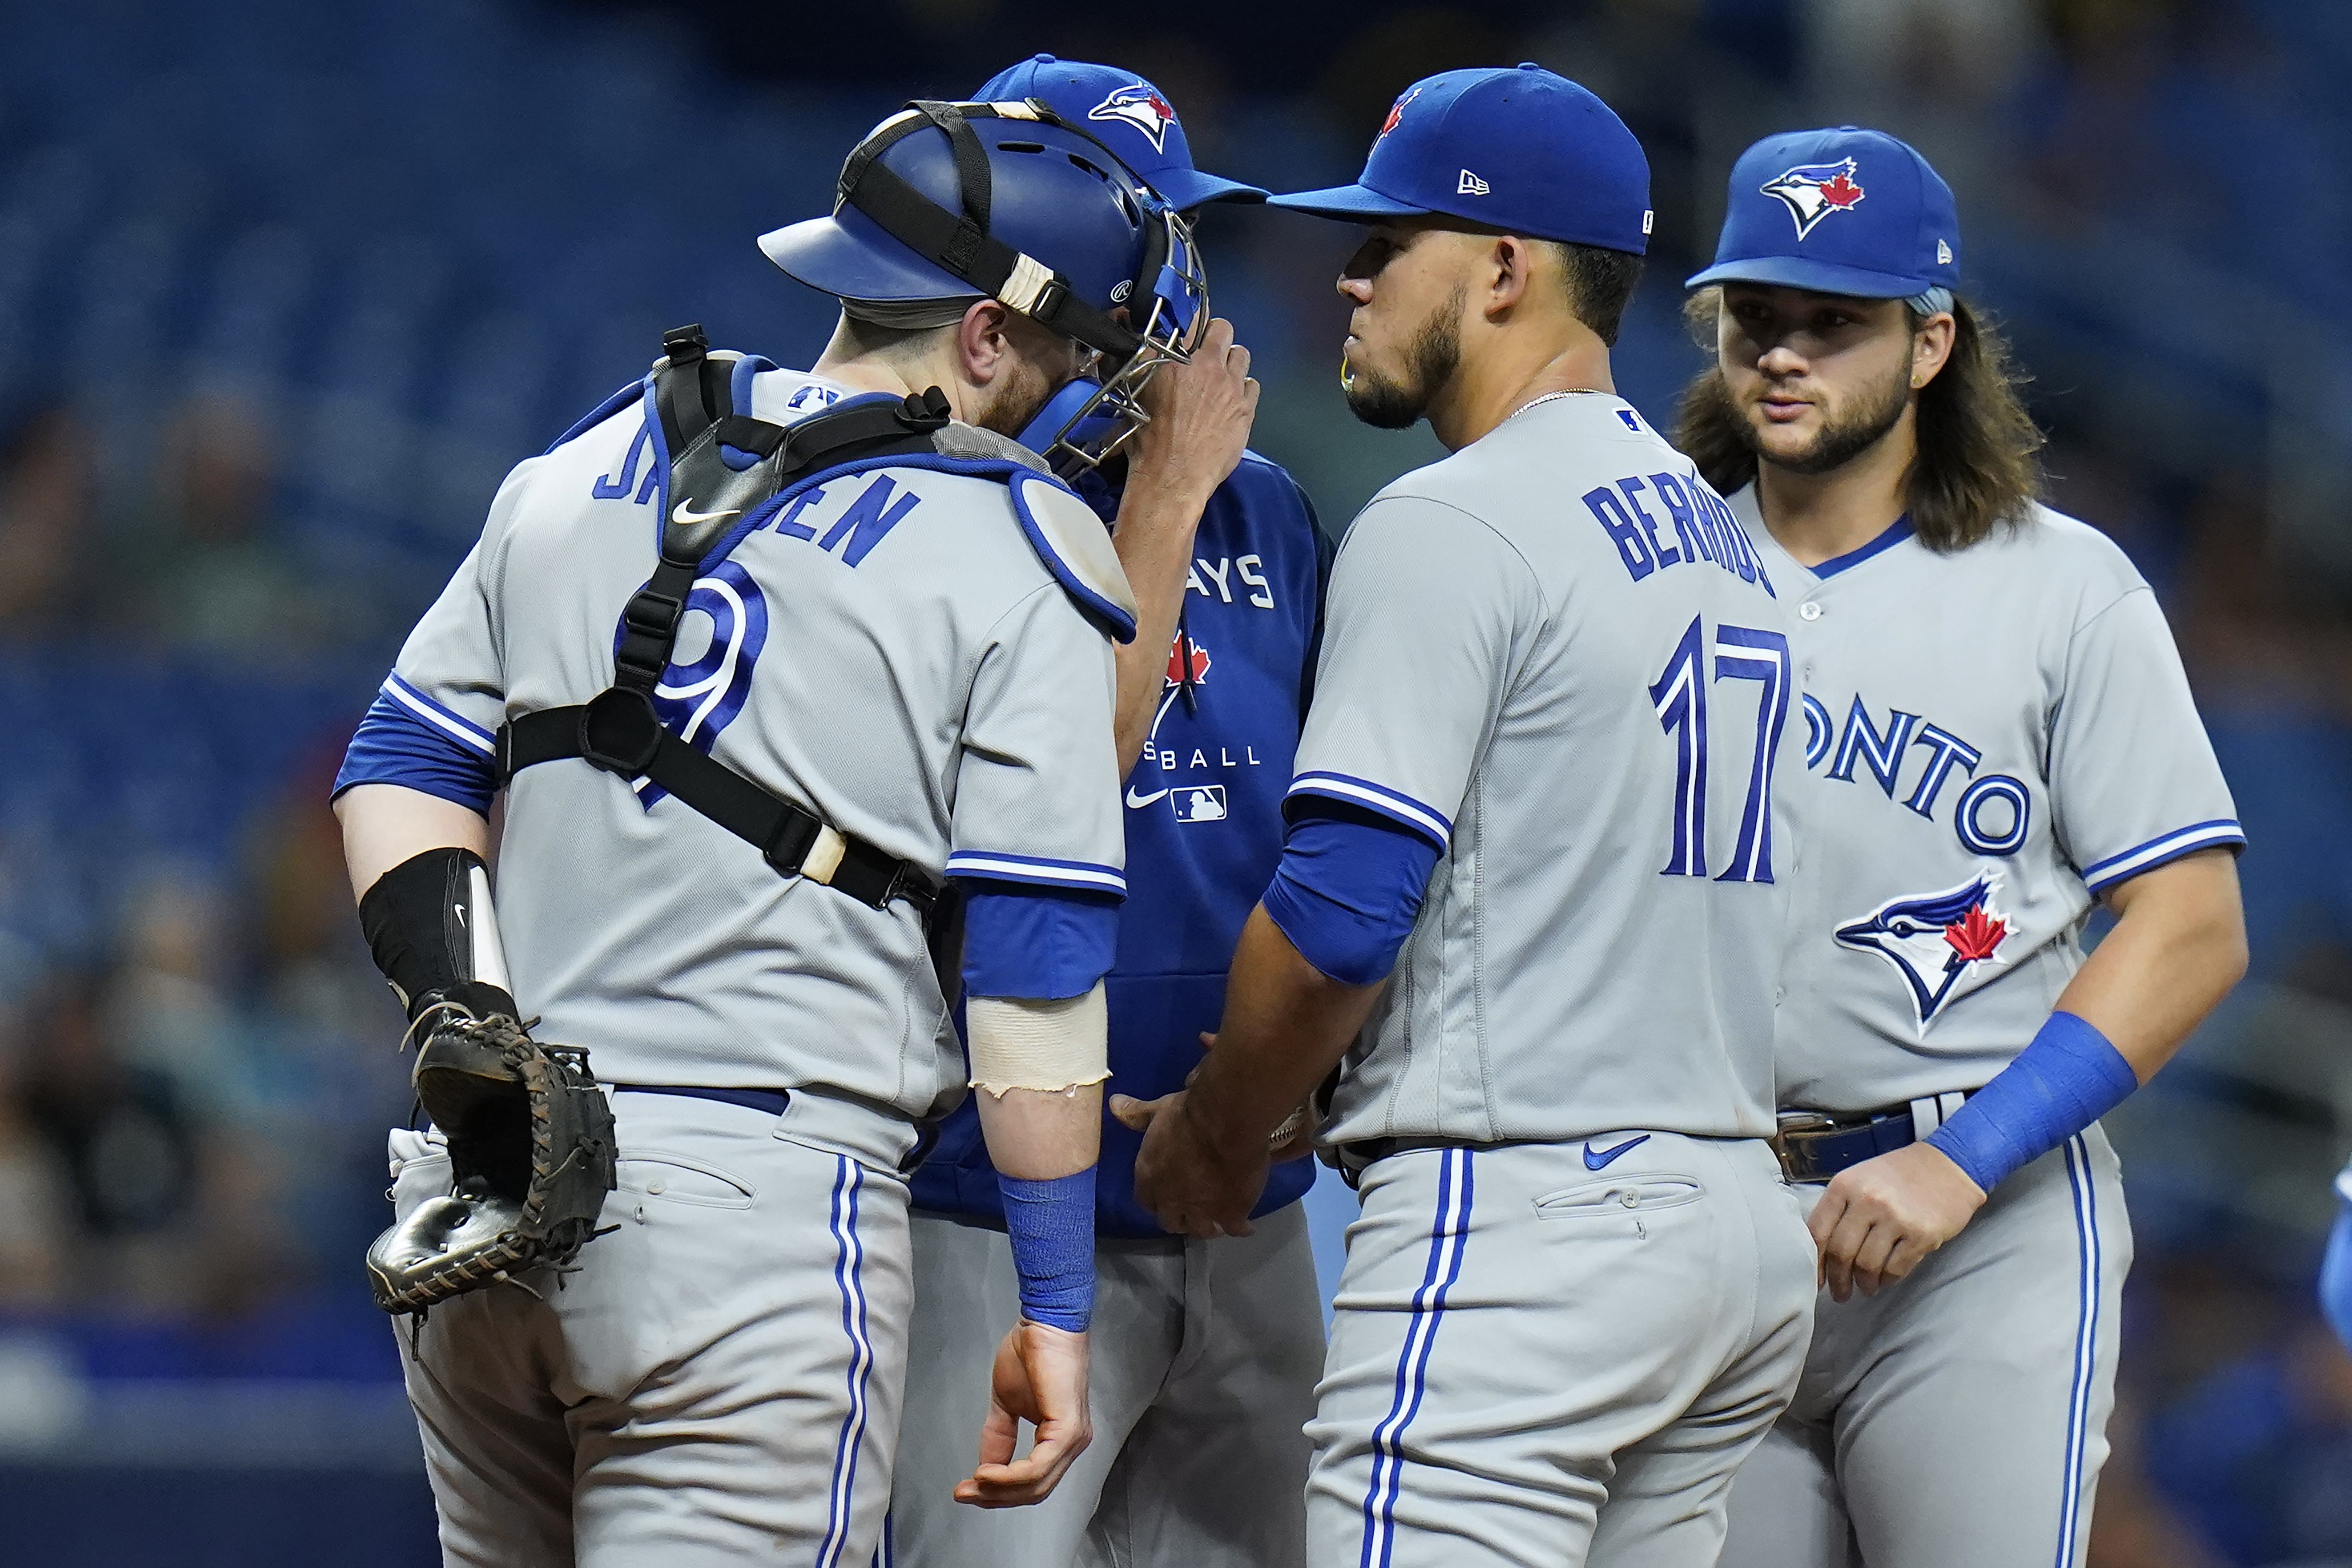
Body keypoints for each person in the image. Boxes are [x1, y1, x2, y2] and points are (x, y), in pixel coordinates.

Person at [331, 98, 1252, 1566]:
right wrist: (1059, 1312)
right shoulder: (1018, 535)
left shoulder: (583, 459)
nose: (1077, 386)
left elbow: (398, 762)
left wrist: (469, 1006)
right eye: (1069, 349)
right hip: (748, 1222)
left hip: (489, 1198)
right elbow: (1029, 969)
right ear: (982, 335)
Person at [1130, 64, 1817, 1567]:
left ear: (1507, 269)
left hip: (1527, 1242)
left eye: (1392, 241)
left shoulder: (1453, 519)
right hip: (1730, 1237)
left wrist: (1218, 1131)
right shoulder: (1731, 542)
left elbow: (1337, 921)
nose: (1351, 276)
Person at [1677, 128, 2251, 1568]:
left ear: (1932, 343)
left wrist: (1970, 1158)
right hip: (1708, 1215)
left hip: (1979, 1217)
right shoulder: (1650, 564)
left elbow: (2192, 922)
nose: (1784, 354)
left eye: (1835, 322)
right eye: (1759, 316)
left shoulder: (2064, 589)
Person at [890, 55, 1328, 1568]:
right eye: (1138, 231)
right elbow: (1062, 784)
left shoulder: (1268, 504)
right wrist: (1168, 494)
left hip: (1249, 1209)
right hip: (993, 1223)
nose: (1170, 282)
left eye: (1181, 234)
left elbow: (1318, 828)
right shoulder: (938, 486)